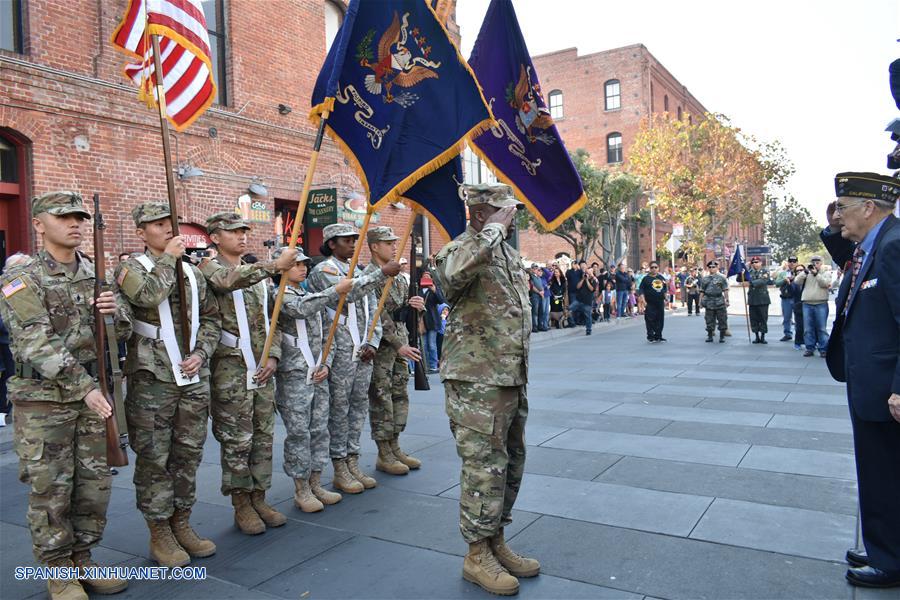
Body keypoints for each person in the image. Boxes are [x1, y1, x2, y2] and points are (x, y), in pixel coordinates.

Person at [0, 192, 132, 598]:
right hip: (44, 401)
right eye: (63, 217)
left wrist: (114, 314)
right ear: (39, 224)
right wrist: (85, 387)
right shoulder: (21, 278)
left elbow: (123, 332)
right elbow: (33, 342)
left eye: (79, 217)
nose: (75, 224)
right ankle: (58, 569)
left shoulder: (95, 272)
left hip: (92, 397)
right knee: (51, 488)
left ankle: (83, 558)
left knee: (94, 485)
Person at [434, 184, 538, 596]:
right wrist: (492, 231)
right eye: (504, 212)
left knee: (510, 461)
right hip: (475, 380)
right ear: (481, 214)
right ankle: (477, 553)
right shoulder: (457, 250)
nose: (512, 218)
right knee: (483, 466)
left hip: (509, 375)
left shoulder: (507, 255)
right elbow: (452, 278)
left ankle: (495, 539)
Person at [116, 203, 220, 566]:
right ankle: (159, 531)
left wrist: (202, 353)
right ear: (141, 233)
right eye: (157, 225)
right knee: (154, 457)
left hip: (191, 376)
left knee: (188, 453)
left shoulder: (192, 271)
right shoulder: (129, 268)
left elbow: (211, 318)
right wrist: (169, 259)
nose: (166, 230)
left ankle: (182, 521)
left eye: (169, 224)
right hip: (152, 379)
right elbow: (147, 296)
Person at [819, 172, 900, 588]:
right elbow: (847, 262)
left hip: (886, 387)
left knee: (885, 472)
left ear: (869, 208)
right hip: (870, 381)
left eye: (844, 208)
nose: (839, 217)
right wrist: (834, 226)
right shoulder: (873, 244)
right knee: (878, 470)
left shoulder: (893, 245)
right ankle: (884, 544)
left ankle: (891, 561)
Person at [201, 212, 298, 535]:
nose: (241, 236)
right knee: (237, 439)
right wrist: (274, 265)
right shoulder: (209, 268)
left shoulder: (258, 277)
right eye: (233, 232)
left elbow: (273, 318)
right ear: (215, 237)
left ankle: (260, 496)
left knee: (263, 436)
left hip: (260, 366)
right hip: (230, 368)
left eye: (244, 231)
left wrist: (273, 355)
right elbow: (228, 281)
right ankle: (241, 502)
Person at [306, 223, 398, 495]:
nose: (352, 245)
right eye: (346, 240)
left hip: (362, 349)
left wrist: (373, 341)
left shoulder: (358, 270)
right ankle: (340, 466)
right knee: (340, 409)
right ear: (331, 244)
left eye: (354, 240)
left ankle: (353, 460)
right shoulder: (324, 271)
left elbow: (374, 310)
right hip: (340, 350)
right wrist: (381, 273)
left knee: (358, 407)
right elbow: (349, 294)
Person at [271, 246, 354, 512]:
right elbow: (299, 309)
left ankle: (316, 482)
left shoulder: (311, 295)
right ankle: (301, 489)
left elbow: (329, 333)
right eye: (296, 264)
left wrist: (327, 363)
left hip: (318, 371)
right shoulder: (279, 294)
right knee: (299, 433)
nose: (302, 268)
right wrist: (335, 290)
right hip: (295, 375)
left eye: (304, 263)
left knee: (319, 430)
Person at [364, 226, 426, 476]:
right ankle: (384, 453)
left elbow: (401, 311)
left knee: (399, 395)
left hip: (402, 343)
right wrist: (398, 344)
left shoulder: (399, 276)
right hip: (382, 347)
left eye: (393, 242)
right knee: (382, 398)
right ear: (374, 246)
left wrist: (417, 306)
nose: (393, 247)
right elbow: (377, 315)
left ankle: (395, 446)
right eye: (388, 243)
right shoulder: (370, 276)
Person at [794, 255, 831, 357]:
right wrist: (805, 272)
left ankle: (823, 349)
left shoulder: (826, 273)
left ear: (821, 263)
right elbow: (797, 281)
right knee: (808, 328)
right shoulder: (807, 273)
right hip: (807, 303)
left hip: (821, 303)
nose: (815, 264)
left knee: (821, 328)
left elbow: (825, 284)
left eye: (817, 262)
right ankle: (809, 348)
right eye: (813, 262)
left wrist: (816, 274)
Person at [419, 272, 446, 371]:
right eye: (424, 277)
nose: (426, 278)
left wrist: (434, 290)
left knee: (432, 344)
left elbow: (441, 301)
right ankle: (425, 365)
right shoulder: (418, 290)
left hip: (433, 320)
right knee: (424, 345)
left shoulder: (434, 289)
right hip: (422, 320)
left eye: (428, 277)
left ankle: (433, 365)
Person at [699, 260, 729, 342]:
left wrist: (727, 300)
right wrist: (700, 302)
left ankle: (722, 336)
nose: (712, 268)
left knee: (722, 319)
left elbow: (725, 290)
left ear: (717, 268)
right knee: (709, 319)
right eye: (710, 267)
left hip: (719, 301)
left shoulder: (722, 278)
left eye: (713, 267)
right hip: (709, 301)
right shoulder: (705, 279)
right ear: (708, 268)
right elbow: (702, 291)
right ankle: (710, 336)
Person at [639, 262, 667, 342]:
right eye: (652, 267)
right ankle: (650, 336)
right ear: (650, 269)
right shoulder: (646, 279)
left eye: (655, 267)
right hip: (650, 302)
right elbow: (641, 290)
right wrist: (644, 301)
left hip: (660, 302)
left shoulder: (661, 278)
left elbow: (665, 289)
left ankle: (658, 335)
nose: (654, 269)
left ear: (658, 268)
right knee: (650, 319)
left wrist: (666, 299)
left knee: (660, 319)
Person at [747, 256, 771, 344]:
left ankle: (763, 336)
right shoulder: (749, 272)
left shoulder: (765, 271)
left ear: (761, 263)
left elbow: (763, 280)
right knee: (753, 318)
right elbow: (740, 279)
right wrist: (742, 271)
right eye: (753, 262)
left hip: (762, 299)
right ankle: (756, 336)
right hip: (752, 298)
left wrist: (751, 282)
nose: (755, 264)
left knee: (763, 318)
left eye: (757, 262)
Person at [568, 261, 596, 335]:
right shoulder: (582, 278)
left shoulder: (593, 280)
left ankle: (588, 330)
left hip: (587, 301)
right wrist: (583, 279)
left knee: (588, 316)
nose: (587, 274)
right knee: (569, 309)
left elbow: (591, 289)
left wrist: (587, 280)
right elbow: (577, 287)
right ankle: (572, 323)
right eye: (587, 272)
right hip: (579, 300)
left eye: (589, 272)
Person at [527, 263, 545, 333]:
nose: (536, 269)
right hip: (535, 296)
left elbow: (541, 286)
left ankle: (540, 326)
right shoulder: (531, 277)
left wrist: (542, 291)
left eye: (536, 268)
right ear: (532, 269)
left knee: (541, 311)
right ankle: (534, 327)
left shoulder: (538, 277)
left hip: (540, 296)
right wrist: (539, 292)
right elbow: (532, 287)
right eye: (534, 268)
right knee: (535, 312)